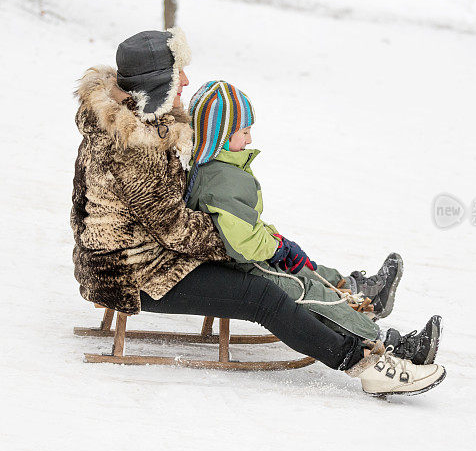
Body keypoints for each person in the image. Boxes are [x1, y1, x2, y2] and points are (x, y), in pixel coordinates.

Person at [70, 28, 446, 395]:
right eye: (176, 73)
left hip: (153, 255)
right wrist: (238, 239)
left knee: (262, 258)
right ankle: (362, 364)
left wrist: (253, 237)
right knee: (260, 294)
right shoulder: (131, 147)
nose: (185, 79)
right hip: (132, 274)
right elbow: (174, 227)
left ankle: (360, 313)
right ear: (155, 85)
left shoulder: (142, 126)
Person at [183, 79, 441, 363]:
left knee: (304, 272)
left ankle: (357, 292)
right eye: (244, 131)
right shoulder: (219, 179)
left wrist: (279, 243)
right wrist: (276, 248)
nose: (250, 139)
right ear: (221, 135)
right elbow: (243, 241)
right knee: (305, 292)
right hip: (237, 265)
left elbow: (243, 228)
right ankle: (385, 344)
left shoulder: (222, 170)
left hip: (242, 257)